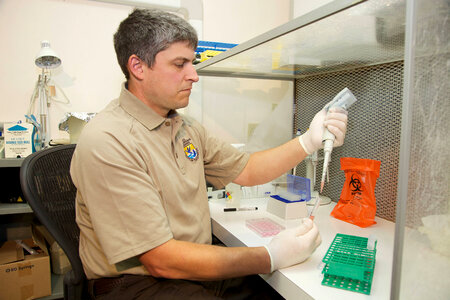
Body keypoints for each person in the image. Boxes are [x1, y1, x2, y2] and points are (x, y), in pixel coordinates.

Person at [70, 8, 348, 300]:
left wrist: (307, 141)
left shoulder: (184, 127)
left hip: (190, 268)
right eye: (180, 64)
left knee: (272, 293)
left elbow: (248, 169)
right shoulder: (108, 140)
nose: (194, 75)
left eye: (192, 62)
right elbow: (159, 258)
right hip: (135, 284)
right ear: (138, 67)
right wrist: (270, 255)